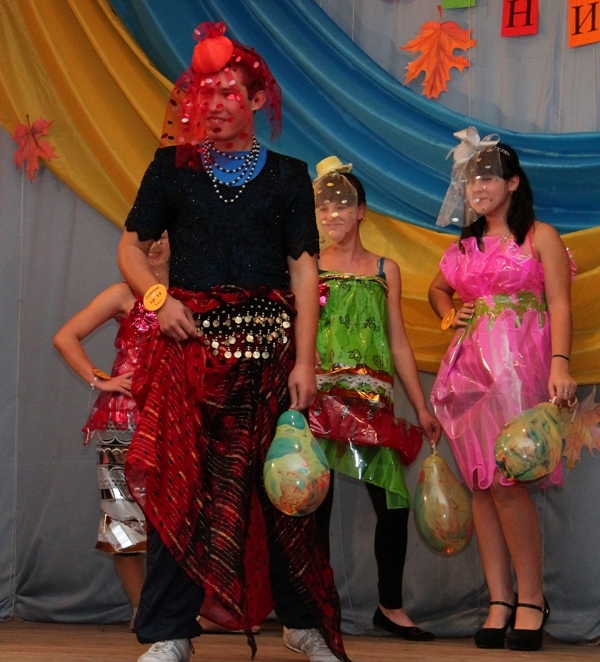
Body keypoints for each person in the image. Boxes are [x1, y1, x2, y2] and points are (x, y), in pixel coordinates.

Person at [117, 22, 349, 662]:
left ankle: (302, 623)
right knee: (180, 489)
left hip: (270, 358)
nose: (213, 104)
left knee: (289, 491)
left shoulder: (287, 176)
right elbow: (131, 250)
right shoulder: (171, 169)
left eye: (227, 92)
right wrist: (159, 299)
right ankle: (169, 633)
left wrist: (306, 361)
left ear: (255, 99)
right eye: (204, 93)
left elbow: (304, 269)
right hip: (190, 355)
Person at [429, 127, 577, 652]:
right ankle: (500, 600)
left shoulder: (540, 236)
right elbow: (437, 289)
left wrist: (560, 364)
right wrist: (449, 314)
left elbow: (560, 302)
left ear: (513, 183)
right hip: (469, 373)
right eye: (472, 180)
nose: (479, 187)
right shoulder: (462, 246)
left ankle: (531, 599)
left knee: (510, 480)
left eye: (490, 177)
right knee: (481, 485)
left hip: (520, 368)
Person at [309, 156, 441, 640]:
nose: (333, 214)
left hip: (371, 405)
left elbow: (398, 341)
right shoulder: (308, 266)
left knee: (393, 505)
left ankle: (390, 606)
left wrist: (421, 407)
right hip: (320, 401)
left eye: (343, 204)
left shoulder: (385, 269)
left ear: (361, 210)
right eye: (324, 206)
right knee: (314, 503)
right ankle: (316, 609)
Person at [53, 232, 170, 627]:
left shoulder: (192, 292)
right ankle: (143, 611)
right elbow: (65, 336)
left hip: (178, 420)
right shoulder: (123, 293)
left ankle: (181, 611)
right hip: (125, 421)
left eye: (164, 236)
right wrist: (101, 379)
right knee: (124, 518)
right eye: (148, 238)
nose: (156, 244)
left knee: (182, 517)